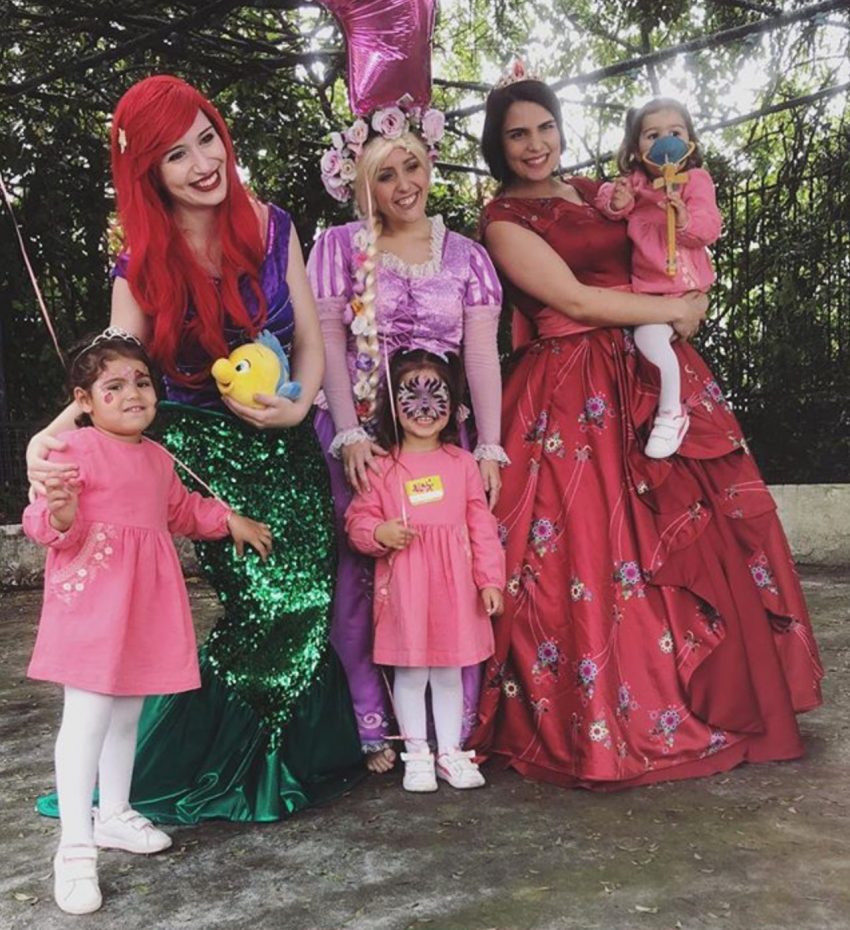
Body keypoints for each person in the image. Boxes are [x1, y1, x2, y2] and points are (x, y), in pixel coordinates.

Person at [469, 72, 824, 789]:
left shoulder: (597, 190)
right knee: (592, 544)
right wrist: (672, 313)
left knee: (693, 522)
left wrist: (688, 284)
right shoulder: (503, 218)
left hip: (648, 368)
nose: (535, 144)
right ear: (498, 146)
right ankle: (609, 719)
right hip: (571, 389)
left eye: (545, 127)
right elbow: (571, 299)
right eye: (517, 134)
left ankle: (713, 694)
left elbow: (665, 246)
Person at [25, 74, 364, 823]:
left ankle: (291, 758)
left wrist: (298, 406)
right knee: (264, 601)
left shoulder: (272, 225)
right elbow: (113, 371)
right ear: (148, 174)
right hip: (201, 454)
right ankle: (216, 768)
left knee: (310, 596)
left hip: (286, 441)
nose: (204, 163)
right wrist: (50, 436)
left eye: (207, 138)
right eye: (176, 155)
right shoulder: (140, 264)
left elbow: (312, 341)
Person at [23, 330, 271, 914]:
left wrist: (228, 520)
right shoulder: (72, 449)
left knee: (128, 714)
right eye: (113, 386)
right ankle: (75, 846)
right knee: (86, 718)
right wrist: (61, 514)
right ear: (84, 401)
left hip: (143, 608)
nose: (132, 393)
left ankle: (113, 812)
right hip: (92, 606)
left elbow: (183, 511)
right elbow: (42, 524)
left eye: (141, 382)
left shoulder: (159, 459)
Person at [308, 114, 508, 773]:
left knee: (447, 567)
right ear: (360, 183)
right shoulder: (339, 248)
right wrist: (348, 432)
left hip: (438, 433)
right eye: (384, 174)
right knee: (363, 573)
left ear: (430, 165)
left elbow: (480, 355)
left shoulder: (468, 257)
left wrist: (488, 447)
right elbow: (327, 341)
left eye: (412, 166)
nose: (403, 185)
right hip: (362, 434)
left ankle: (450, 735)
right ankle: (377, 728)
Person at [345, 349, 505, 792]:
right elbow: (357, 522)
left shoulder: (463, 464)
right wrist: (379, 532)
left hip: (456, 591)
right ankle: (417, 753)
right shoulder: (381, 466)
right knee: (412, 673)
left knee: (450, 672)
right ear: (392, 405)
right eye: (410, 396)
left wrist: (490, 580)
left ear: (453, 404)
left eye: (436, 396)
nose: (424, 408)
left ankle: (449, 752)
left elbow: (482, 527)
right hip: (406, 589)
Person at [594, 97, 722, 458]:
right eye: (652, 135)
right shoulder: (637, 184)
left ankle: (669, 413)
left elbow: (709, 227)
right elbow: (608, 201)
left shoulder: (695, 181)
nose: (665, 141)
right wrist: (617, 200)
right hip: (650, 294)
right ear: (637, 149)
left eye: (675, 133)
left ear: (689, 141)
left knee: (650, 340)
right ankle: (669, 409)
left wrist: (684, 221)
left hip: (685, 289)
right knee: (649, 342)